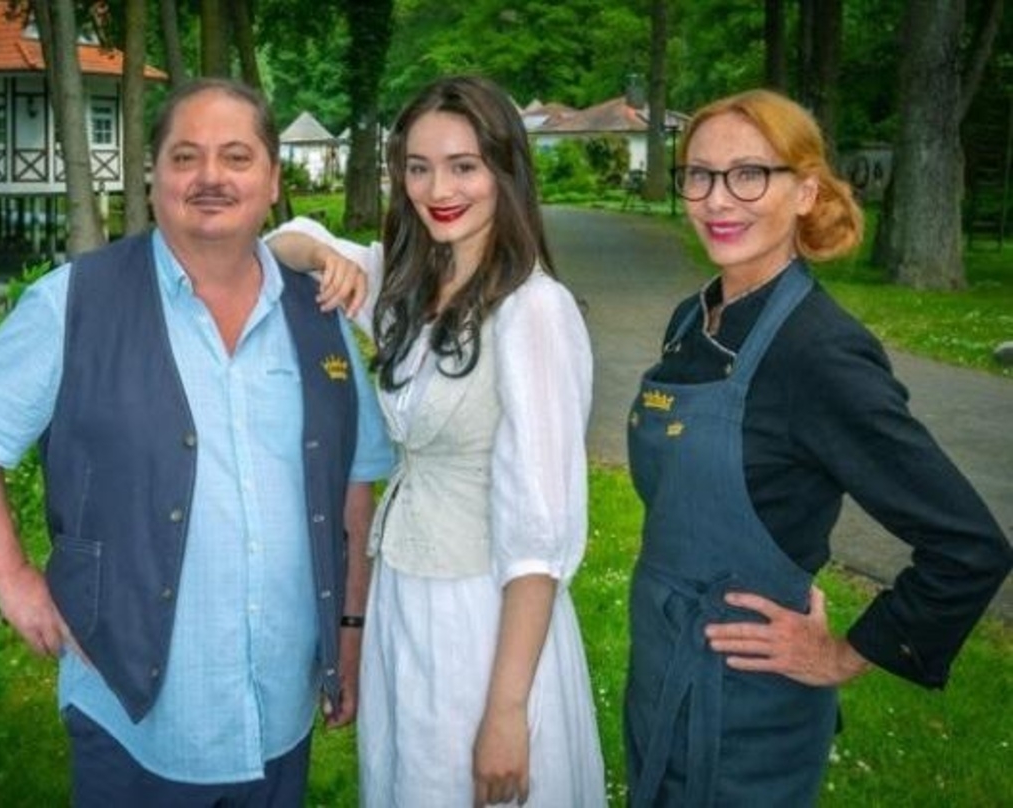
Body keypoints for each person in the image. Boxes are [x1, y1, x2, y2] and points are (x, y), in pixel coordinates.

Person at [0, 77, 393, 806]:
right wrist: (12, 576)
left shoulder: (319, 314)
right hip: (132, 715)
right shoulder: (73, 301)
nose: (210, 177)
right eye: (186, 157)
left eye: (236, 157)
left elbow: (354, 488)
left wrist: (350, 632)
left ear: (273, 177)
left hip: (280, 710)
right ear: (153, 176)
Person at [624, 88, 1013, 806]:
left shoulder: (820, 354)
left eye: (749, 174)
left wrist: (843, 653)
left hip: (744, 712)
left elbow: (969, 545)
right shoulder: (694, 316)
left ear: (804, 190)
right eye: (699, 174)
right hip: (661, 674)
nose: (718, 199)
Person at [267, 75, 606, 807]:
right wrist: (323, 260)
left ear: (505, 170)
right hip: (404, 602)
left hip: (484, 622)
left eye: (463, 165)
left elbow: (541, 538)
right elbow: (287, 242)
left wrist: (507, 712)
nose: (436, 188)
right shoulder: (410, 287)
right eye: (417, 167)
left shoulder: (533, 313)